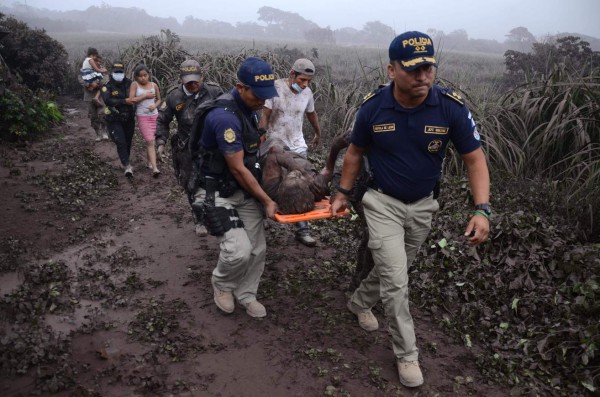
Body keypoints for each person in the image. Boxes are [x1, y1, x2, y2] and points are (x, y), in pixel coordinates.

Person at [330, 31, 491, 388]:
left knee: (396, 267)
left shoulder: (450, 107)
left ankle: (358, 302)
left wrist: (482, 209)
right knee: (397, 281)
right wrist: (342, 192)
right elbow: (355, 153)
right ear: (391, 70)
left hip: (423, 206)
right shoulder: (373, 107)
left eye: (428, 68)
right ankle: (407, 356)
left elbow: (475, 160)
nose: (423, 77)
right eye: (413, 69)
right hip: (381, 201)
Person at [189, 57, 278, 318]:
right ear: (240, 88)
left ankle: (247, 293)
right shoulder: (224, 118)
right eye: (258, 95)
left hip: (243, 189)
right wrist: (267, 200)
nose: (263, 101)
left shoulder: (248, 109)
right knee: (238, 251)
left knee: (258, 248)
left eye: (266, 96)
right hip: (216, 191)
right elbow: (238, 168)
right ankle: (223, 285)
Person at [156, 60, 224, 236]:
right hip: (186, 147)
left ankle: (216, 213)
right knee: (191, 184)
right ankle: (198, 219)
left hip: (211, 145)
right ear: (181, 80)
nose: (193, 85)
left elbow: (227, 112)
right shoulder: (174, 96)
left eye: (196, 80)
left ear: (202, 77)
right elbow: (162, 121)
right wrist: (161, 142)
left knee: (214, 181)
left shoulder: (214, 91)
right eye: (188, 82)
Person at [259, 58, 322, 247]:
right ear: (292, 74)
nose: (305, 85)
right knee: (269, 182)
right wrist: (261, 139)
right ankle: (262, 217)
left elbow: (311, 113)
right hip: (275, 143)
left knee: (301, 185)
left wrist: (318, 132)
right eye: (302, 80)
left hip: (297, 145)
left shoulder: (307, 93)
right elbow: (265, 115)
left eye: (309, 81)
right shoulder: (275, 88)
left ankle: (303, 230)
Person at [259, 136, 329, 214]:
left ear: (281, 188)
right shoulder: (314, 187)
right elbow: (327, 170)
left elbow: (274, 150)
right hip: (287, 152)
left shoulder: (271, 189)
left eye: (293, 177)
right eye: (300, 177)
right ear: (307, 188)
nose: (296, 173)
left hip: (268, 149)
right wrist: (305, 174)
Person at [101, 61, 139, 177]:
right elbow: (107, 100)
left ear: (124, 72)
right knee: (120, 141)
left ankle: (125, 161)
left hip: (129, 117)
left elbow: (137, 96)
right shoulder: (107, 85)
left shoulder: (130, 83)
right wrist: (124, 101)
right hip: (114, 118)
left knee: (127, 141)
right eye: (116, 72)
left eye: (120, 72)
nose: (119, 74)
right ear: (112, 73)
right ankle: (127, 165)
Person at [129, 63, 161, 177]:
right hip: (142, 116)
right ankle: (155, 168)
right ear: (136, 77)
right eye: (140, 76)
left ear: (148, 75)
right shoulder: (135, 85)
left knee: (152, 141)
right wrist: (144, 96)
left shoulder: (154, 85)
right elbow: (131, 100)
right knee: (150, 141)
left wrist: (155, 106)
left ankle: (149, 162)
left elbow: (159, 100)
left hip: (154, 116)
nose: (143, 78)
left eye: (145, 75)